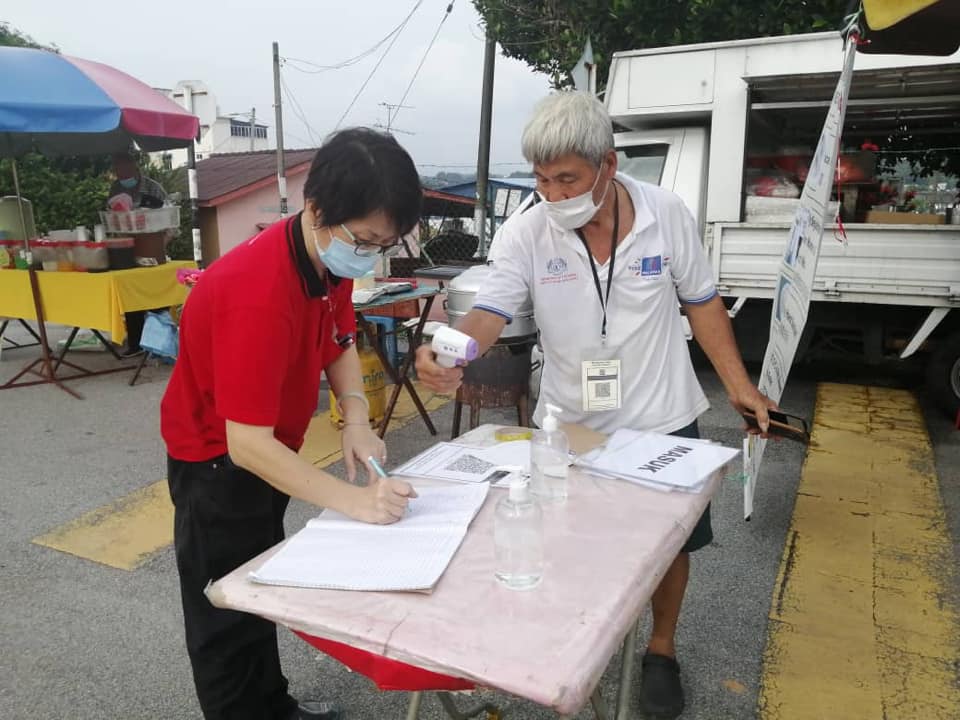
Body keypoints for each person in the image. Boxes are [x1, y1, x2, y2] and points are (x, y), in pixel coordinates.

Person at [415, 92, 775, 720]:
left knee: (671, 547)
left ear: (607, 165)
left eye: (567, 179)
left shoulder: (666, 214)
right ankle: (582, 636)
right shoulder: (529, 230)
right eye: (541, 179)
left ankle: (660, 649)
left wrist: (740, 387)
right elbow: (491, 310)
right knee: (577, 536)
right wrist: (449, 351)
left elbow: (703, 302)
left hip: (665, 417)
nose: (551, 194)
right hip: (574, 422)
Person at [160, 128, 421, 720]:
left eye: (385, 243)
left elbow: (339, 339)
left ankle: (272, 707)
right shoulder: (255, 292)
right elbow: (246, 445)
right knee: (224, 614)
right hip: (217, 465)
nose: (370, 253)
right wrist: (354, 503)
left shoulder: (327, 256)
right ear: (316, 208)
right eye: (365, 239)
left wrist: (355, 415)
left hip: (268, 450)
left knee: (261, 592)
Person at [109, 150, 171, 355]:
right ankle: (136, 344)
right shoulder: (115, 189)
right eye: (118, 170)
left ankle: (161, 344)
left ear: (135, 167)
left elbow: (169, 221)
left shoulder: (153, 188)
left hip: (153, 251)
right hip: (126, 251)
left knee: (156, 299)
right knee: (131, 298)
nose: (121, 175)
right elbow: (112, 218)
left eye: (124, 169)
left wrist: (158, 245)